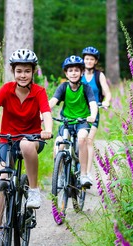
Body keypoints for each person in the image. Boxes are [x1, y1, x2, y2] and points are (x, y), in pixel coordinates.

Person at [0, 48, 53, 209]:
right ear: (12, 71)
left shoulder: (39, 91)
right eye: (19, 71)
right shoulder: (6, 89)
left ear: (33, 71)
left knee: (26, 144)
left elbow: (46, 112)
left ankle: (34, 190)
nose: (23, 75)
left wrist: (47, 129)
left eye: (27, 71)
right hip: (7, 140)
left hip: (33, 139)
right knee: (1, 179)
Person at [49, 55, 98, 187]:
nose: (73, 73)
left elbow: (93, 103)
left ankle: (83, 174)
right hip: (66, 122)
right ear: (66, 73)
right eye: (70, 70)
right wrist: (43, 112)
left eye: (76, 70)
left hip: (82, 121)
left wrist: (92, 115)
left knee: (82, 138)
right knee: (59, 144)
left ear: (82, 72)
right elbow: (53, 101)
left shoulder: (86, 88)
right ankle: (59, 175)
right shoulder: (63, 87)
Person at [81, 46, 112, 181]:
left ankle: (87, 173)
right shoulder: (78, 73)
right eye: (86, 59)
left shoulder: (99, 75)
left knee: (88, 140)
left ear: (95, 61)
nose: (88, 61)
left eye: (91, 59)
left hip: (93, 112)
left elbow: (107, 93)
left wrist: (106, 102)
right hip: (78, 111)